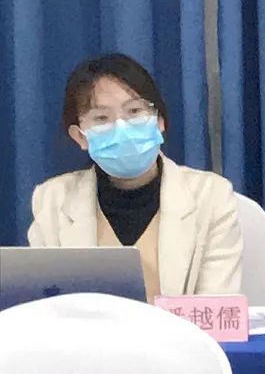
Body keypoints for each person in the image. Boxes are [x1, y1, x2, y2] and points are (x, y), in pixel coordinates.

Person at [28, 53, 242, 300]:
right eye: (102, 118)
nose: (122, 128)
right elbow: (45, 307)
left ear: (159, 121)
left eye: (134, 111)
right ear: (80, 137)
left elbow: (216, 304)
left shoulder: (212, 196)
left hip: (180, 328)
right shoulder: (52, 200)